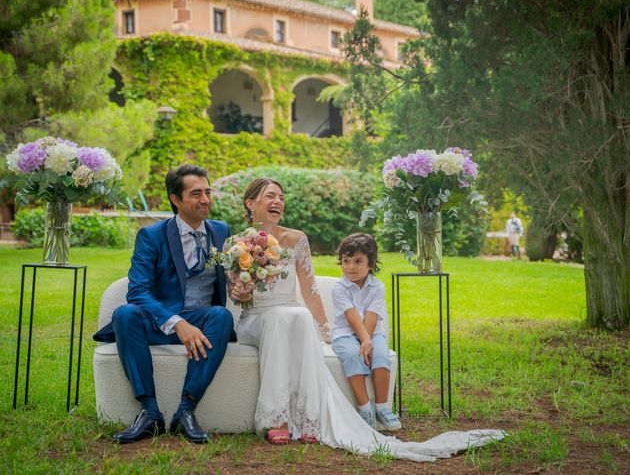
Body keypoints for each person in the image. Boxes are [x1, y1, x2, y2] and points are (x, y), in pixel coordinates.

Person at [231, 177, 504, 461]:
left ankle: (310, 418)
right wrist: (240, 289)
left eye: (282, 197)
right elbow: (234, 294)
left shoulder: (297, 239)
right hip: (256, 320)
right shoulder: (236, 243)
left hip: (290, 317)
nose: (278, 202)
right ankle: (277, 418)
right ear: (251, 203)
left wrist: (325, 330)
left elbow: (310, 289)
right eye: (270, 196)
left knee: (298, 316)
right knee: (280, 319)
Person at [93, 164, 235, 443]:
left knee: (222, 316)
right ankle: (149, 413)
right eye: (196, 194)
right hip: (160, 322)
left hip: (203, 321)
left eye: (207, 192)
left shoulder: (222, 231)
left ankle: (186, 412)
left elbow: (231, 277)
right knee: (125, 314)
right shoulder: (152, 235)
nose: (205, 199)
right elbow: (138, 291)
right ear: (175, 199)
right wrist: (178, 323)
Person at [331, 233, 401, 431]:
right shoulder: (339, 288)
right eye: (346, 261)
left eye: (358, 261)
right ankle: (364, 409)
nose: (350, 266)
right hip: (344, 333)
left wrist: (367, 342)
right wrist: (363, 343)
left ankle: (382, 408)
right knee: (354, 355)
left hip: (372, 333)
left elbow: (371, 316)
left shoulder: (377, 287)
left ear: (371, 264)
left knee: (380, 354)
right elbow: (352, 317)